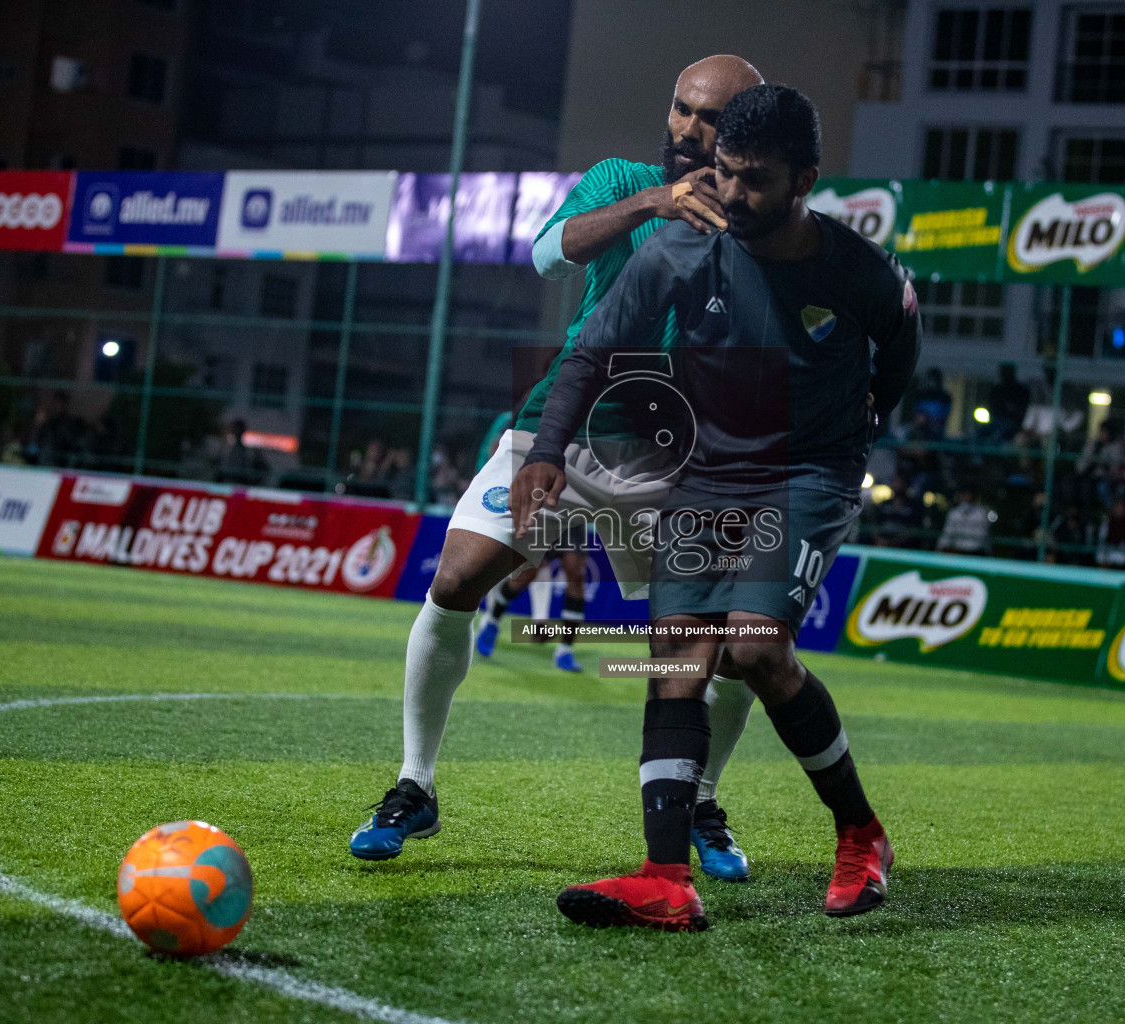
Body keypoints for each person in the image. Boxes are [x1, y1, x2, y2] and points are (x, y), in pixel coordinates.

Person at [348, 56, 768, 883]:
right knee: (456, 579)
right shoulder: (619, 179)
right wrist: (653, 202)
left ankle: (703, 801)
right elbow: (547, 254)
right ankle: (413, 785)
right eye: (680, 108)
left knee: (730, 641)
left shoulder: (763, 227)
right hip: (561, 426)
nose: (686, 128)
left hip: (673, 459)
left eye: (709, 119)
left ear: (744, 134)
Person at [511, 84, 920, 928]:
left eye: (756, 180)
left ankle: (860, 834)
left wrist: (872, 411)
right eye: (726, 173)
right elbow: (590, 353)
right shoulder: (677, 250)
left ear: (804, 179)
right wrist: (547, 452)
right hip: (712, 475)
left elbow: (904, 335)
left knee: (756, 648)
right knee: (676, 663)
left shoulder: (855, 267)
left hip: (809, 473)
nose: (732, 194)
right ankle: (665, 878)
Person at [470, 411, 590, 673]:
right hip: (544, 497)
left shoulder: (598, 411)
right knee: (528, 572)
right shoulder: (540, 408)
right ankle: (493, 618)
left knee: (577, 572)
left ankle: (565, 650)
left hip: (574, 502)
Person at [936, 485, 993, 556]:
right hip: (957, 553)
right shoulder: (953, 513)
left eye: (969, 494)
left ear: (973, 496)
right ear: (960, 496)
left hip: (977, 553)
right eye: (964, 494)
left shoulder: (982, 513)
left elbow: (983, 537)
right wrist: (940, 548)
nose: (967, 497)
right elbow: (947, 533)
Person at [1095, 497, 1125, 570]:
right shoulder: (1108, 523)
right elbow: (1102, 541)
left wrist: (1119, 553)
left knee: (1122, 559)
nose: (1119, 510)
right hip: (1109, 551)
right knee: (1101, 555)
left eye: (1122, 508)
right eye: (1117, 508)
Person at [987, 362, 1029, 442]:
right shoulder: (996, 390)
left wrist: (1012, 409)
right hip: (996, 421)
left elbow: (1022, 411)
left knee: (996, 437)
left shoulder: (1020, 390)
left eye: (1006, 371)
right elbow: (992, 407)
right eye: (1002, 371)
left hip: (1013, 424)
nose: (1003, 374)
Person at [218, 419, 269, 485]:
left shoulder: (250, 452)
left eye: (240, 430)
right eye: (236, 429)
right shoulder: (225, 449)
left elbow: (263, 469)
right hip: (225, 484)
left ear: (243, 431)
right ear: (233, 431)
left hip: (243, 485)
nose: (237, 432)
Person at [907, 367, 951, 440]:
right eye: (930, 380)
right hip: (920, 432)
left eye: (934, 380)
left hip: (936, 431)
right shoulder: (920, 396)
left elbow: (944, 414)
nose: (932, 383)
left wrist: (934, 422)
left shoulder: (944, 398)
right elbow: (917, 413)